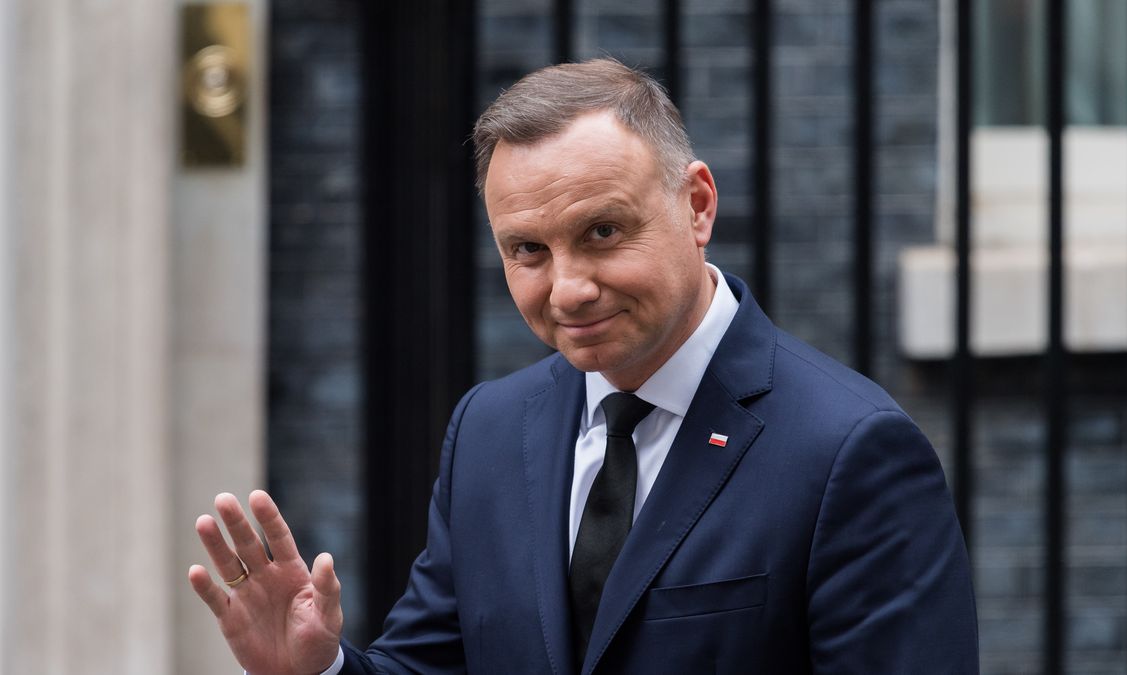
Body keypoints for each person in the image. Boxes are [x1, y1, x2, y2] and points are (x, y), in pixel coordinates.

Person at [189, 58, 978, 674]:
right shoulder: (489, 432)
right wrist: (318, 666)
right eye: (528, 250)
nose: (568, 288)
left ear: (698, 204)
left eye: (602, 232)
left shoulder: (850, 451)